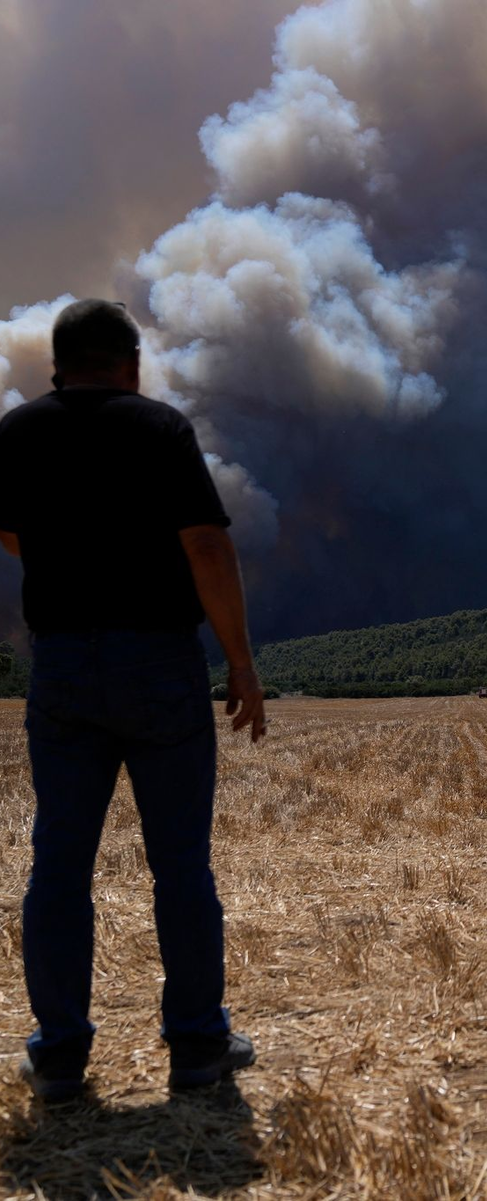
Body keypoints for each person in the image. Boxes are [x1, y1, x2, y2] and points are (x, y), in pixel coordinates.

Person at [0, 299, 267, 1102]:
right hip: (158, 663)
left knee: (58, 867)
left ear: (55, 365)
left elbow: (9, 533)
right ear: (132, 364)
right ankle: (195, 1050)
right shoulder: (159, 429)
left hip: (64, 669)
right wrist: (241, 662)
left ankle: (59, 1061)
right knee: (180, 864)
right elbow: (207, 544)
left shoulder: (16, 432)